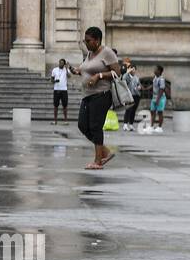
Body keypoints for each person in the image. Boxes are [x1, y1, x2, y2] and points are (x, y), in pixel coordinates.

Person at [77, 26, 121, 170]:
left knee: (96, 126)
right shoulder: (89, 54)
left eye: (88, 41)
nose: (86, 43)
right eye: (85, 40)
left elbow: (117, 72)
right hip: (87, 95)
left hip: (101, 95)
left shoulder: (107, 52)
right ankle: (105, 152)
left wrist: (99, 76)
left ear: (97, 40)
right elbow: (86, 69)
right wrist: (77, 71)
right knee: (82, 125)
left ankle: (98, 161)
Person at [121, 58, 142, 128]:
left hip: (136, 95)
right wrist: (127, 72)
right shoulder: (127, 76)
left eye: (134, 69)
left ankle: (131, 124)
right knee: (128, 109)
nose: (133, 70)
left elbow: (139, 84)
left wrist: (139, 87)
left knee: (133, 110)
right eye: (131, 69)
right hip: (129, 95)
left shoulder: (136, 78)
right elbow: (123, 80)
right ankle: (125, 124)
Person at [51, 58, 72, 123]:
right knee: (55, 105)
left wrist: (66, 68)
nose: (61, 64)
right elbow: (51, 80)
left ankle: (65, 120)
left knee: (65, 106)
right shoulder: (55, 70)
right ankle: (55, 120)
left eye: (62, 63)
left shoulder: (66, 70)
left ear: (64, 64)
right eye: (60, 62)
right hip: (56, 89)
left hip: (64, 90)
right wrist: (55, 81)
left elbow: (69, 76)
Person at [148, 65, 168, 133]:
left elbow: (161, 89)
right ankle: (151, 126)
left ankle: (160, 127)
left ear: (159, 71)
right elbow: (153, 85)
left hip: (160, 98)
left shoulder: (161, 79)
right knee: (152, 111)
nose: (154, 70)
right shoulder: (155, 78)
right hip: (154, 97)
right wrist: (146, 88)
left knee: (160, 112)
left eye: (155, 69)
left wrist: (158, 99)